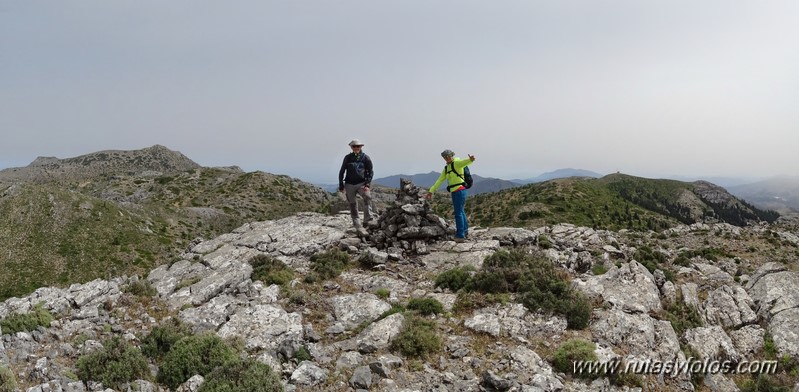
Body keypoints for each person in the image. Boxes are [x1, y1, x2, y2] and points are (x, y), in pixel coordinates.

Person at [425, 149, 476, 242]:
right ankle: (464, 231)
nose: (447, 158)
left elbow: (465, 162)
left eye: (449, 156)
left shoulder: (457, 163)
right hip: (455, 191)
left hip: (460, 191)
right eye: (445, 157)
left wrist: (471, 159)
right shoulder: (446, 168)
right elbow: (439, 180)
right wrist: (431, 191)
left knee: (458, 213)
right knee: (461, 211)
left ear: (452, 155)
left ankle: (460, 235)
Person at [338, 139, 375, 233]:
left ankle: (368, 220)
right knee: (353, 203)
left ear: (361, 147)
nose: (356, 148)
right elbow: (342, 171)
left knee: (367, 197)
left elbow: (370, 172)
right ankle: (357, 223)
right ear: (351, 147)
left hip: (361, 183)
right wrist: (341, 185)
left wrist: (367, 184)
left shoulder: (365, 158)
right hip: (349, 184)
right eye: (354, 146)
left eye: (358, 146)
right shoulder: (348, 157)